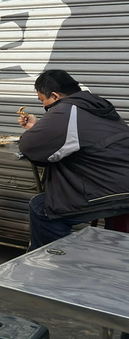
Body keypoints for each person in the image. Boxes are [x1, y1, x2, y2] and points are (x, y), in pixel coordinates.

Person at [18, 69, 129, 249]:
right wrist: (38, 127)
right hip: (119, 185)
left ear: (54, 96)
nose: (44, 107)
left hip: (111, 192)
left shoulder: (66, 110)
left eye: (42, 101)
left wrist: (35, 131)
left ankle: (56, 265)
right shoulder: (96, 105)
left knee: (41, 209)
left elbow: (28, 147)